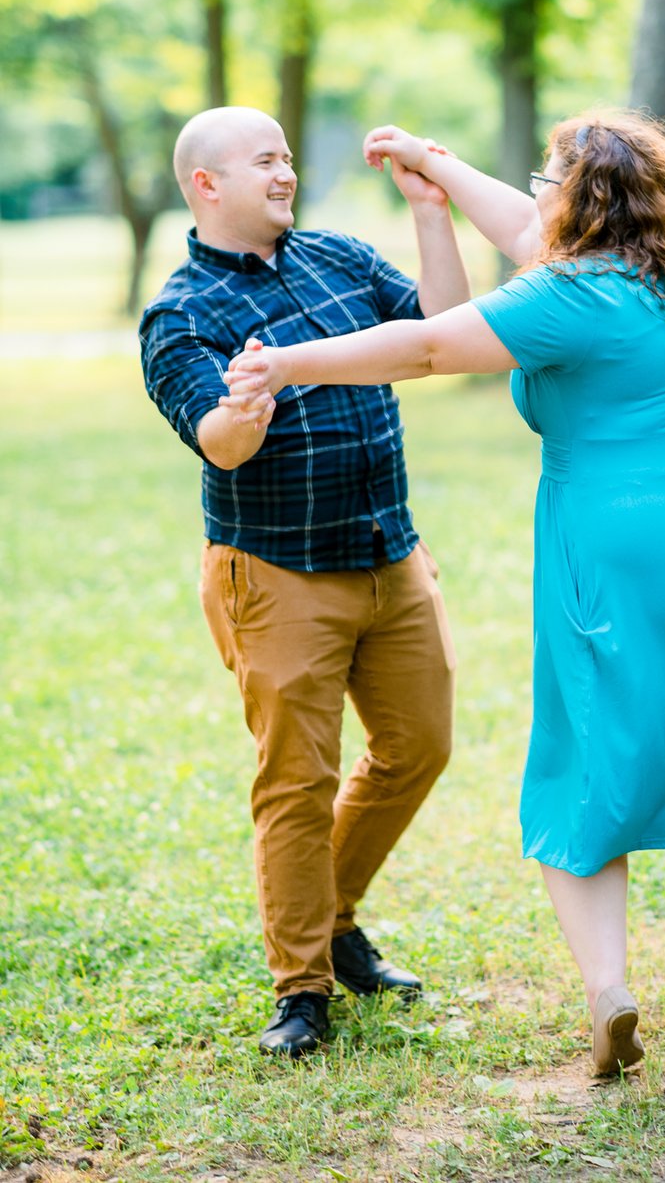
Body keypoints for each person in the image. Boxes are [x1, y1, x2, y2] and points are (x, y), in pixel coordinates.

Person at [222, 109, 665, 1075]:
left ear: (577, 202)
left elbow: (424, 349)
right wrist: (435, 169)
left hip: (621, 546)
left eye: (548, 178)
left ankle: (610, 993)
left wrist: (287, 364)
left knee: (582, 769)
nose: (535, 193)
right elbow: (519, 227)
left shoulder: (568, 296)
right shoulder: (663, 269)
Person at [139, 105, 469, 1059]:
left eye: (286, 157)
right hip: (277, 575)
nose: (285, 173)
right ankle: (304, 988)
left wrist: (432, 214)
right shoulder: (182, 314)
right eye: (264, 161)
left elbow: (441, 334)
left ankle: (332, 917)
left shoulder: (341, 258)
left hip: (389, 552)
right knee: (298, 779)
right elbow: (221, 444)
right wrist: (248, 403)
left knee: (418, 746)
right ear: (207, 184)